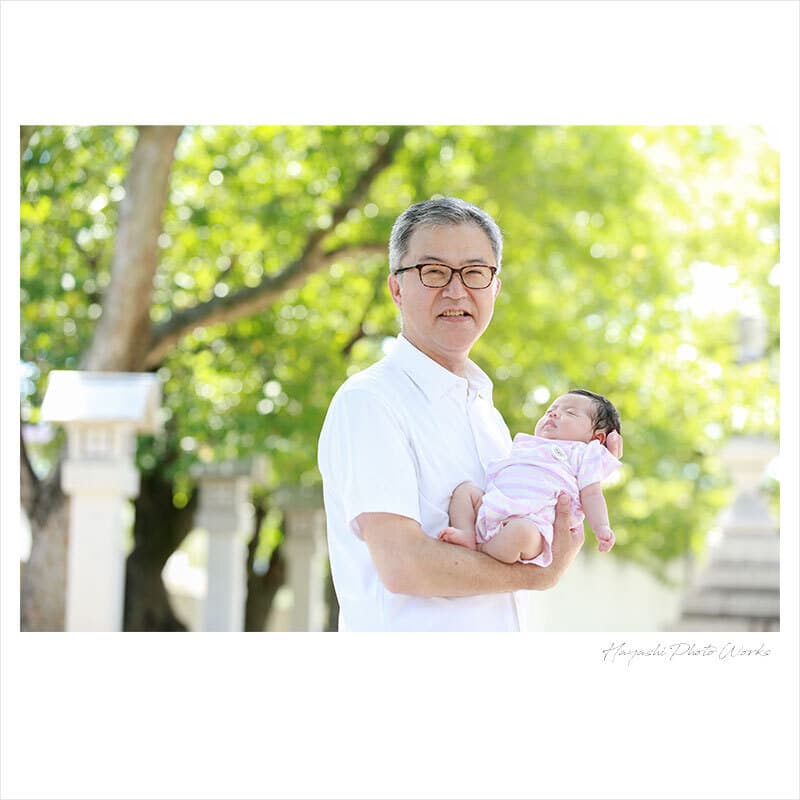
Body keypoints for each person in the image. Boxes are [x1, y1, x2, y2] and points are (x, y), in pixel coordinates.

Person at [317, 197, 623, 631]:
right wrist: (541, 577)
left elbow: (536, 518)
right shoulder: (371, 402)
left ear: (495, 288)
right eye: (434, 271)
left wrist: (586, 467)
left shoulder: (487, 416)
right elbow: (404, 565)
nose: (456, 290)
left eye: (475, 272)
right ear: (397, 288)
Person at [438, 389, 622, 567]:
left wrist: (601, 527)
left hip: (534, 523)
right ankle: (467, 532)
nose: (554, 414)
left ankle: (483, 548)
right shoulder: (528, 444)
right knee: (465, 491)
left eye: (570, 413)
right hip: (493, 506)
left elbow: (592, 494)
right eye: (550, 410)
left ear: (595, 438)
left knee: (521, 534)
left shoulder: (583, 454)